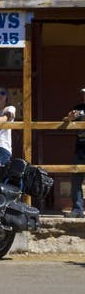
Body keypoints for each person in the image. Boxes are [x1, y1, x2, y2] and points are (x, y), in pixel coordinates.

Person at [63, 87, 85, 217]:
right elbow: (66, 120)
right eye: (83, 94)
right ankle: (78, 209)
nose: (84, 96)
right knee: (76, 179)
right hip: (80, 147)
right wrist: (70, 117)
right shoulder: (79, 107)